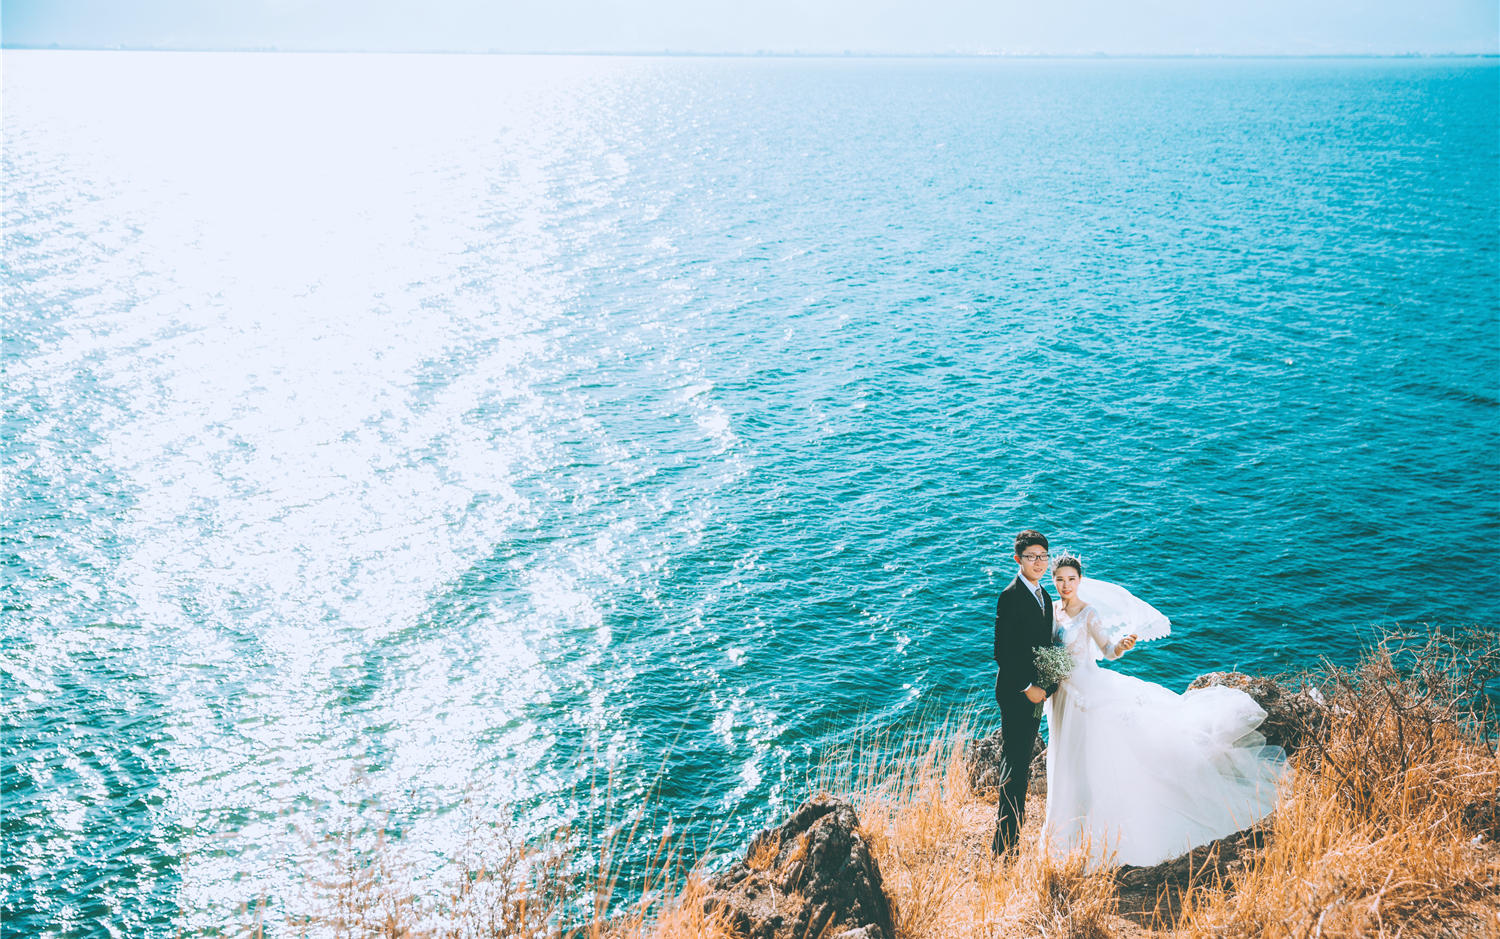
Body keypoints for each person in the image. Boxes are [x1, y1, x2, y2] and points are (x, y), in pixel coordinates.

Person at [1040, 554, 1287, 868]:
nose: (1065, 585)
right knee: (1063, 762)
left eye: (1071, 579)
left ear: (1080, 580)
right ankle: (1061, 833)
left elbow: (1107, 652)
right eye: (1059, 579)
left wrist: (1122, 645)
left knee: (1088, 762)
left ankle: (1091, 835)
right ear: (1054, 580)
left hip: (1087, 696)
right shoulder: (1052, 612)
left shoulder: (1089, 613)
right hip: (1060, 696)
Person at [991, 529, 1058, 856]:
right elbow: (1002, 652)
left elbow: (1045, 647)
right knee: (1014, 766)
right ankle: (1004, 847)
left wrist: (1049, 684)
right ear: (1018, 559)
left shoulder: (1044, 597)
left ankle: (1013, 839)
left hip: (1036, 695)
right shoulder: (1010, 596)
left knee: (1020, 765)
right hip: (1017, 694)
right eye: (1032, 557)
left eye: (1044, 556)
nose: (1039, 562)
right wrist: (1028, 687)